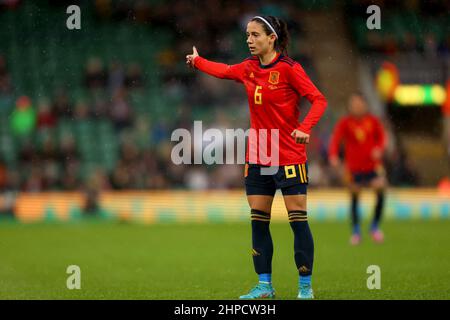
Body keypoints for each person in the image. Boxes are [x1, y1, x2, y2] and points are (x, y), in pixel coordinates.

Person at [186, 15, 327, 299]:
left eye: (255, 35)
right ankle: (264, 286)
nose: (249, 40)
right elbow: (225, 70)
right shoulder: (248, 68)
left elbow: (319, 100)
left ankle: (305, 288)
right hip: (258, 156)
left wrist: (304, 128)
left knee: (297, 220)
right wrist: (198, 62)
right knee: (258, 221)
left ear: (272, 38)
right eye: (247, 35)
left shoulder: (290, 69)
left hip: (289, 156)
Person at [328, 92, 387, 245]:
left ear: (365, 104)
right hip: (353, 168)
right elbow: (336, 140)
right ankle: (356, 231)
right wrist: (333, 156)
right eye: (353, 104)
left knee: (380, 187)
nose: (356, 106)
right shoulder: (345, 122)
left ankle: (374, 226)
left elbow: (382, 138)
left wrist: (379, 149)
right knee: (354, 194)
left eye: (359, 103)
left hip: (372, 166)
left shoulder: (373, 121)